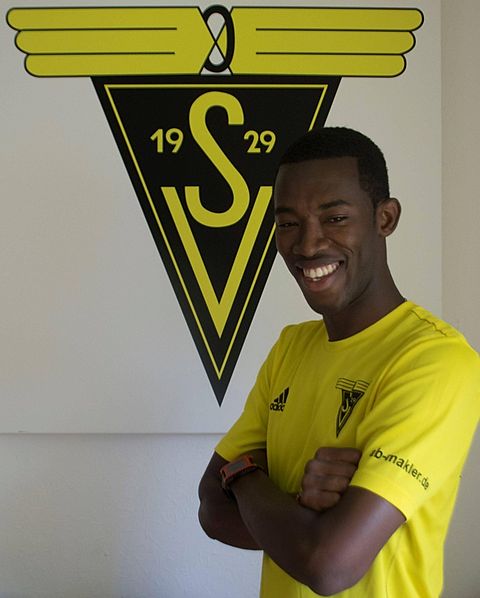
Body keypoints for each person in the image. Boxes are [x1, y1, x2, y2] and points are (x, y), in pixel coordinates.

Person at [197, 127, 479, 597]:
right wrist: (293, 507)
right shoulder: (291, 346)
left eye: (335, 218)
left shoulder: (435, 361)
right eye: (289, 223)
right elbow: (211, 510)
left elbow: (328, 564)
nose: (308, 245)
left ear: (385, 218)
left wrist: (241, 475)